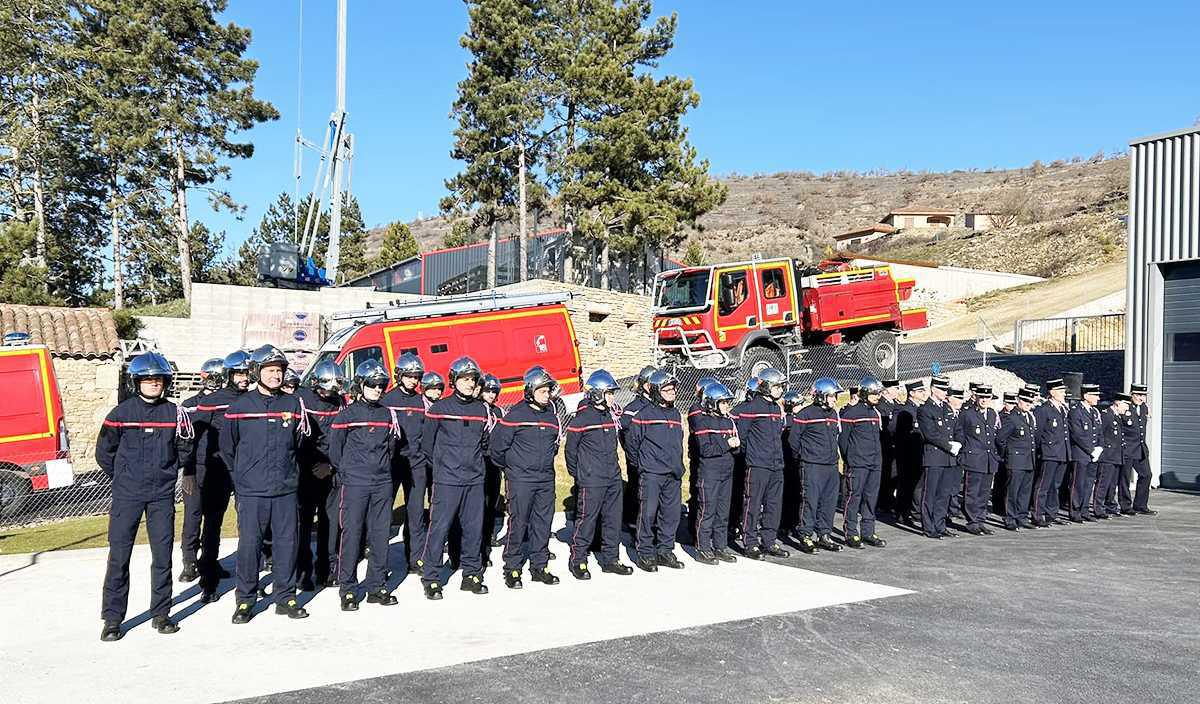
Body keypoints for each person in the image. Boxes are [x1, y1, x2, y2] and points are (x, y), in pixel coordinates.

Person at [96, 352, 193, 641]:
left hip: (161, 496)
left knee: (162, 556)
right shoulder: (120, 414)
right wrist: (125, 475)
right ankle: (113, 619)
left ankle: (161, 614)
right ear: (137, 381)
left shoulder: (175, 413)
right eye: (148, 379)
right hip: (127, 495)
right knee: (119, 557)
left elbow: (185, 448)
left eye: (158, 379)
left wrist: (167, 470)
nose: (153, 383)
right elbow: (105, 453)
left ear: (165, 382)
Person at [221, 344, 310, 623]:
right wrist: (243, 479)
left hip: (285, 488)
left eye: (280, 371)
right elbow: (227, 449)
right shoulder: (239, 407)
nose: (276, 375)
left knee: (287, 544)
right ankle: (246, 600)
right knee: (250, 546)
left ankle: (286, 596)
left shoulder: (292, 404)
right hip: (252, 491)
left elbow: (299, 443)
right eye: (270, 370)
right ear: (257, 371)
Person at [330, 360, 400, 611]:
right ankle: (347, 588)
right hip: (356, 483)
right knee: (352, 535)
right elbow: (335, 450)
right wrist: (349, 472)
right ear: (361, 385)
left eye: (381, 385)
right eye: (372, 384)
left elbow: (391, 449)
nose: (378, 389)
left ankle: (376, 586)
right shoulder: (346, 415)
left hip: (382, 482)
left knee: (381, 535)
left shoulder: (387, 413)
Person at [419, 357, 490, 599]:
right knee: (439, 528)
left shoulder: (481, 409)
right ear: (454, 381)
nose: (470, 384)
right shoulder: (440, 409)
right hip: (447, 480)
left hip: (474, 479)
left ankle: (471, 573)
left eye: (473, 379)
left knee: (473, 529)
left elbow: (483, 442)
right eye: (465, 379)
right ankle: (431, 577)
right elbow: (427, 445)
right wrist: (443, 468)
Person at [183, 350, 250, 602]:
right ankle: (207, 579)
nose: (244, 378)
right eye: (239, 373)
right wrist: (189, 470)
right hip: (214, 469)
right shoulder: (212, 401)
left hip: (244, 470)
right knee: (211, 523)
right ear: (229, 374)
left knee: (248, 525)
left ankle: (248, 579)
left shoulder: (253, 400)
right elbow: (193, 436)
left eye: (246, 373)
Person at [491, 367, 562, 589]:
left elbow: (555, 446)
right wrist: (513, 469)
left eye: (548, 390)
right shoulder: (515, 415)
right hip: (521, 479)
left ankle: (539, 566)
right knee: (518, 522)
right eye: (542, 390)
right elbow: (497, 449)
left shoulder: (551, 415)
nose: (547, 394)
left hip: (545, 479)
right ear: (531, 390)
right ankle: (512, 567)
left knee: (543, 523)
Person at [565, 370, 635, 579]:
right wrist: (580, 474)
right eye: (609, 393)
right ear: (596, 393)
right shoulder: (583, 418)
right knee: (586, 520)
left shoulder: (609, 415)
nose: (612, 397)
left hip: (612, 476)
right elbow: (571, 450)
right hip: (591, 479)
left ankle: (611, 559)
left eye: (613, 393)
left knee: (613, 520)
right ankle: (578, 560)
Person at [626, 369, 686, 572]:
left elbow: (679, 442)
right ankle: (645, 553)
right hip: (652, 473)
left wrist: (679, 466)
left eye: (673, 389)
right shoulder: (644, 415)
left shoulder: (676, 414)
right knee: (648, 514)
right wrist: (644, 465)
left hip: (672, 474)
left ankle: (665, 550)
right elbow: (632, 445)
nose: (672, 392)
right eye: (667, 389)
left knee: (670, 515)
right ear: (657, 391)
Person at [295, 360, 345, 591]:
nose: (330, 391)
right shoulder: (302, 399)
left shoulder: (340, 402)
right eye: (326, 386)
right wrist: (310, 465)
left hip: (331, 470)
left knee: (331, 522)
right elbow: (298, 439)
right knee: (303, 523)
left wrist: (332, 465)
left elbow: (343, 439)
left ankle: (327, 568)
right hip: (306, 470)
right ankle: (303, 571)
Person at [381, 353, 431, 575]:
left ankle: (416, 558)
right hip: (392, 464)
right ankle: (380, 562)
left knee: (416, 513)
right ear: (399, 375)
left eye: (417, 376)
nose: (413, 380)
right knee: (382, 514)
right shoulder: (387, 400)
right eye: (409, 376)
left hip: (416, 464)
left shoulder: (423, 401)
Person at [733, 367, 790, 560]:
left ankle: (769, 541)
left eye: (781, 386)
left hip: (776, 465)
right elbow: (743, 437)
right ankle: (750, 542)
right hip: (758, 465)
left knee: (774, 505)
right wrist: (753, 456)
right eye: (776, 386)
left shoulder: (776, 408)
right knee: (753, 504)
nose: (779, 390)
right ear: (765, 386)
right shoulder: (752, 408)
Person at [178, 357, 225, 585]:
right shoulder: (189, 404)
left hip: (219, 467)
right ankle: (189, 561)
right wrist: (187, 471)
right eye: (211, 377)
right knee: (193, 516)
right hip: (195, 467)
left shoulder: (227, 403)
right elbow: (185, 440)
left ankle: (210, 559)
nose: (214, 382)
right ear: (203, 377)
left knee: (215, 518)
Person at [791, 377, 844, 553]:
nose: (835, 400)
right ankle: (805, 535)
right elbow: (794, 441)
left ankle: (824, 535)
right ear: (821, 396)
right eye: (831, 396)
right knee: (810, 501)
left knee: (828, 501)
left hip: (830, 465)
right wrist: (805, 457)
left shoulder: (833, 414)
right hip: (812, 465)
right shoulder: (805, 414)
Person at [691, 381, 741, 564]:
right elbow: (705, 449)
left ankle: (720, 546)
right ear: (712, 402)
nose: (727, 405)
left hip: (726, 471)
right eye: (723, 402)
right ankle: (703, 548)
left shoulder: (729, 421)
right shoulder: (703, 422)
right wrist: (727, 444)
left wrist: (735, 446)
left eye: (727, 402)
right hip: (710, 473)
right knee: (707, 511)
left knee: (722, 511)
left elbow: (736, 446)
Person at [839, 376, 887, 548]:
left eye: (879, 393)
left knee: (871, 498)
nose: (878, 396)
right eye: (874, 393)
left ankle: (868, 532)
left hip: (874, 462)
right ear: (865, 393)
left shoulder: (875, 413)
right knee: (853, 498)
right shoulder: (851, 413)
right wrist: (850, 459)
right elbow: (843, 440)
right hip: (858, 463)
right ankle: (851, 533)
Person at [918, 377, 962, 540]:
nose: (945, 393)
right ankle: (929, 527)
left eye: (946, 390)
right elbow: (930, 434)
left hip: (949, 458)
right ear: (933, 389)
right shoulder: (925, 409)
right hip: (935, 456)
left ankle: (940, 525)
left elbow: (957, 428)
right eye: (943, 390)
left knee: (944, 494)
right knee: (930, 494)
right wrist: (949, 445)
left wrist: (958, 443)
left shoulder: (946, 408)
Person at [956, 384, 1000, 536]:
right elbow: (959, 434)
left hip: (988, 459)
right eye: (982, 397)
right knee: (972, 492)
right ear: (976, 397)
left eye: (987, 397)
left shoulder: (992, 413)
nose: (984, 400)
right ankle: (972, 521)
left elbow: (993, 436)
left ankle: (981, 520)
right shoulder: (967, 414)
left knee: (984, 493)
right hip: (974, 458)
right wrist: (962, 454)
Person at [620, 365, 657, 527]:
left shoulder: (659, 406)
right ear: (647, 386)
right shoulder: (633, 409)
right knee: (637, 489)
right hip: (640, 461)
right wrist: (636, 460)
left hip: (657, 462)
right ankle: (632, 522)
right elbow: (625, 436)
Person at [997, 387, 1038, 530]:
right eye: (1026, 401)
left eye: (1030, 401)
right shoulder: (1012, 418)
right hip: (1016, 461)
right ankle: (1010, 518)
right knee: (1013, 491)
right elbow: (1001, 439)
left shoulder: (1029, 417)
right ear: (1018, 401)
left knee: (1025, 491)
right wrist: (1007, 455)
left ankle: (1022, 516)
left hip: (1028, 460)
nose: (1028, 404)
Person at [1032, 379, 1071, 527]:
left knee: (1055, 485)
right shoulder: (1044, 410)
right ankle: (1038, 514)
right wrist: (1042, 451)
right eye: (1061, 391)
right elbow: (1038, 433)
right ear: (1052, 393)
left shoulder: (1062, 409)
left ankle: (1051, 513)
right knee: (1043, 485)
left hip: (1061, 452)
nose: (1064, 394)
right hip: (1049, 453)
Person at [893, 380, 928, 528]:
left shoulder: (922, 409)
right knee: (906, 485)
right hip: (907, 454)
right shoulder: (904, 410)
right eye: (920, 392)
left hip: (920, 453)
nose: (923, 394)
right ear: (912, 393)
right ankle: (903, 513)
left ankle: (915, 511)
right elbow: (895, 431)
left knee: (917, 485)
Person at [479, 373, 506, 558]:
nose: (491, 394)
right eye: (488, 390)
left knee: (492, 502)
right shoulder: (476, 409)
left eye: (494, 391)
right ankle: (478, 542)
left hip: (494, 461)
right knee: (478, 504)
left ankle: (489, 537)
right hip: (479, 461)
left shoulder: (499, 412)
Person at [1068, 383, 1103, 523]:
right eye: (1095, 395)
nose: (1098, 398)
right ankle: (1075, 511)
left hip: (1094, 455)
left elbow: (1099, 431)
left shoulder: (1095, 412)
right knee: (1078, 484)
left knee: (1089, 483)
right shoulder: (1076, 411)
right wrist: (1091, 450)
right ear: (1086, 396)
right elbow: (1077, 434)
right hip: (1081, 454)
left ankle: (1084, 510)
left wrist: (1099, 448)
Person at [1095, 392, 1130, 520]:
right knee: (1103, 483)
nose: (1127, 408)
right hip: (1107, 455)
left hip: (1116, 455)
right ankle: (1098, 508)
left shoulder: (1117, 416)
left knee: (1112, 483)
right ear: (1118, 403)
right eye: (1125, 404)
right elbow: (1100, 434)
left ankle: (1110, 506)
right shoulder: (1106, 415)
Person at [1123, 383, 1156, 515]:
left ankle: (1140, 505)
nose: (1141, 398)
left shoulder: (1144, 408)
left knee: (1146, 475)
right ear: (1132, 395)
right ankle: (1125, 506)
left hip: (1140, 449)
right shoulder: (1125, 407)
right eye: (1138, 395)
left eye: (1143, 395)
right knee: (1124, 478)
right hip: (1127, 449)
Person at [780, 389, 806, 539]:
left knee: (795, 493)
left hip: (793, 460)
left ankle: (791, 522)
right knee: (790, 493)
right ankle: (786, 523)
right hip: (789, 460)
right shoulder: (789, 420)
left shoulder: (796, 419)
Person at [875, 378, 901, 518]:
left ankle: (889, 500)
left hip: (895, 446)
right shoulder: (881, 406)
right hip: (885, 446)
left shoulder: (895, 404)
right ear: (886, 390)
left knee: (893, 475)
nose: (898, 391)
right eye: (895, 388)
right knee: (885, 475)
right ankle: (883, 503)